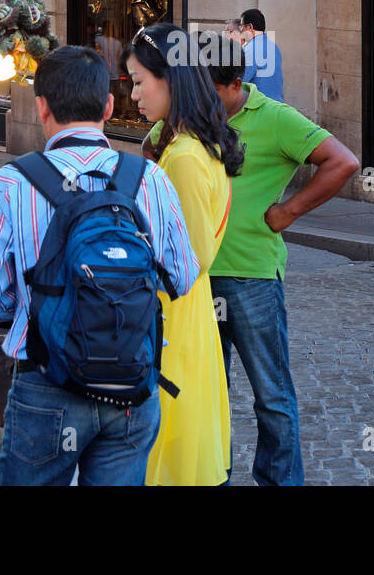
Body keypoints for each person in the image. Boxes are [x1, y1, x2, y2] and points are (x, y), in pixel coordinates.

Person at [0, 45, 200, 486]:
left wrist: (44, 305)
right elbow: (183, 277)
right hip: (130, 385)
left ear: (41, 106)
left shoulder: (11, 183)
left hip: (46, 383)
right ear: (109, 105)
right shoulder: (150, 178)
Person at [203, 34, 358, 485]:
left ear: (233, 83)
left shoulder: (275, 118)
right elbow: (152, 150)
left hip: (251, 278)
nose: (197, 97)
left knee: (271, 395)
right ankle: (214, 475)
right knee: (208, 394)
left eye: (205, 87)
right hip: (197, 277)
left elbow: (343, 162)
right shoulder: (190, 116)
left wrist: (288, 210)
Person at [126, 24, 244, 486]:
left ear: (170, 79)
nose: (133, 94)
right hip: (183, 318)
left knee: (169, 461)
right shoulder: (186, 147)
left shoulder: (185, 158)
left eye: (139, 81)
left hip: (174, 322)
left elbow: (186, 263)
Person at [237, 8, 284, 102]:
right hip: (276, 106)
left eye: (241, 26)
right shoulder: (274, 46)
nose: (240, 31)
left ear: (250, 27)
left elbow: (240, 82)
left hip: (260, 108)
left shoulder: (250, 49)